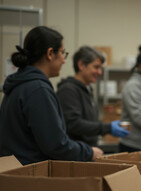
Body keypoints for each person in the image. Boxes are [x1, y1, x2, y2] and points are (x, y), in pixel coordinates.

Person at [0, 26, 103, 165]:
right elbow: (56, 145)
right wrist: (88, 152)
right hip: (30, 174)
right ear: (50, 53)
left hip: (15, 171)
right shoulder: (38, 89)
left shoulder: (21, 84)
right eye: (62, 53)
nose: (63, 60)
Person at [56, 46, 129, 147]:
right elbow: (73, 124)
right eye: (96, 67)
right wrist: (107, 128)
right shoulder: (68, 90)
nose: (100, 72)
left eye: (101, 68)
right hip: (76, 155)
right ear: (81, 65)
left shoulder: (87, 89)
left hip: (88, 151)